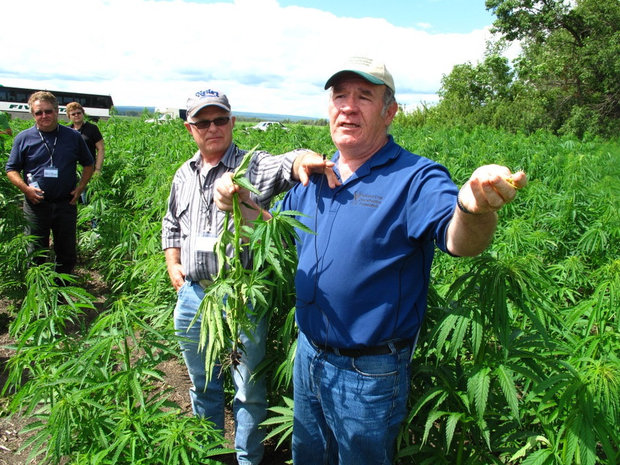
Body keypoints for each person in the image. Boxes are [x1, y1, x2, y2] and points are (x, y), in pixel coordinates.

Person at [214, 56, 527, 465]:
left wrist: (473, 209)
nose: (348, 106)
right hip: (309, 354)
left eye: (364, 96)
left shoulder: (416, 177)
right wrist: (240, 207)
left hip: (369, 372)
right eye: (339, 95)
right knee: (309, 456)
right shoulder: (315, 176)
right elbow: (277, 235)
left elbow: (460, 240)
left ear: (389, 112)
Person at [161, 88, 336, 465]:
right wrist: (173, 263)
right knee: (203, 384)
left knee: (248, 389)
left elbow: (287, 163)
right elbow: (171, 222)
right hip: (193, 295)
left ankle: (247, 458)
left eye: (220, 119)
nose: (213, 128)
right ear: (190, 128)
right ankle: (207, 453)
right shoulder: (184, 174)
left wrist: (306, 159)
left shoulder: (250, 166)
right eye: (203, 122)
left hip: (241, 295)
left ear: (232, 122)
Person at [5, 91, 94, 276]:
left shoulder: (72, 136)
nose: (44, 116)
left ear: (56, 111)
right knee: (36, 253)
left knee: (67, 253)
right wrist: (26, 189)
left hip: (65, 203)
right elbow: (11, 169)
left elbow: (88, 164)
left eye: (48, 111)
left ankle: (62, 294)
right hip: (36, 204)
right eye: (39, 113)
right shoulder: (23, 138)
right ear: (33, 114)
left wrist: (80, 189)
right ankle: (39, 294)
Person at [66, 102, 105, 174]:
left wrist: (98, 169)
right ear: (69, 116)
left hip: (88, 168)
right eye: (73, 114)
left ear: (83, 113)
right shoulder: (67, 130)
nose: (76, 115)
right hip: (71, 170)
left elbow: (101, 149)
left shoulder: (92, 128)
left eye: (79, 113)